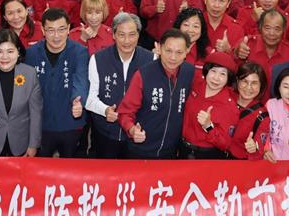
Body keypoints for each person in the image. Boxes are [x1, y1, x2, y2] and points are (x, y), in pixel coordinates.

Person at [118, 29, 196, 159]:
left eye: (179, 52)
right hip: (140, 149)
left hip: (171, 151)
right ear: (159, 48)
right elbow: (125, 112)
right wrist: (132, 129)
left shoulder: (189, 73)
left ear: (187, 51)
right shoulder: (143, 74)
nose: (173, 57)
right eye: (168, 51)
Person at [86, 13, 153, 158]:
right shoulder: (98, 59)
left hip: (137, 133)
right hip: (105, 132)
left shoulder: (151, 59)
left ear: (138, 35)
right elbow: (90, 99)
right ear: (114, 35)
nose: (127, 41)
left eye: (132, 35)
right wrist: (105, 110)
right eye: (122, 35)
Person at [24, 8, 90, 157]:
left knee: (71, 165)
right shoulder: (31, 53)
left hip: (70, 121)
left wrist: (78, 100)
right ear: (43, 30)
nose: (56, 36)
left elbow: (81, 79)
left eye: (61, 29)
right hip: (41, 123)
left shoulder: (79, 52)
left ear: (68, 29)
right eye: (51, 30)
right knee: (41, 166)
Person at [182, 52, 239, 158]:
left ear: (228, 79)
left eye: (223, 74)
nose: (216, 78)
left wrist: (208, 126)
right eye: (213, 71)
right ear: (207, 71)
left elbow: (225, 144)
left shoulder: (230, 107)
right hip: (182, 149)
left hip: (206, 155)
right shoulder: (195, 85)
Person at [227, 62, 271, 160]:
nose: (248, 87)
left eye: (254, 83)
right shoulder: (226, 97)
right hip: (214, 157)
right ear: (237, 81)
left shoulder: (262, 117)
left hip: (238, 162)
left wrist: (253, 149)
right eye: (244, 81)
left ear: (261, 86)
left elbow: (258, 154)